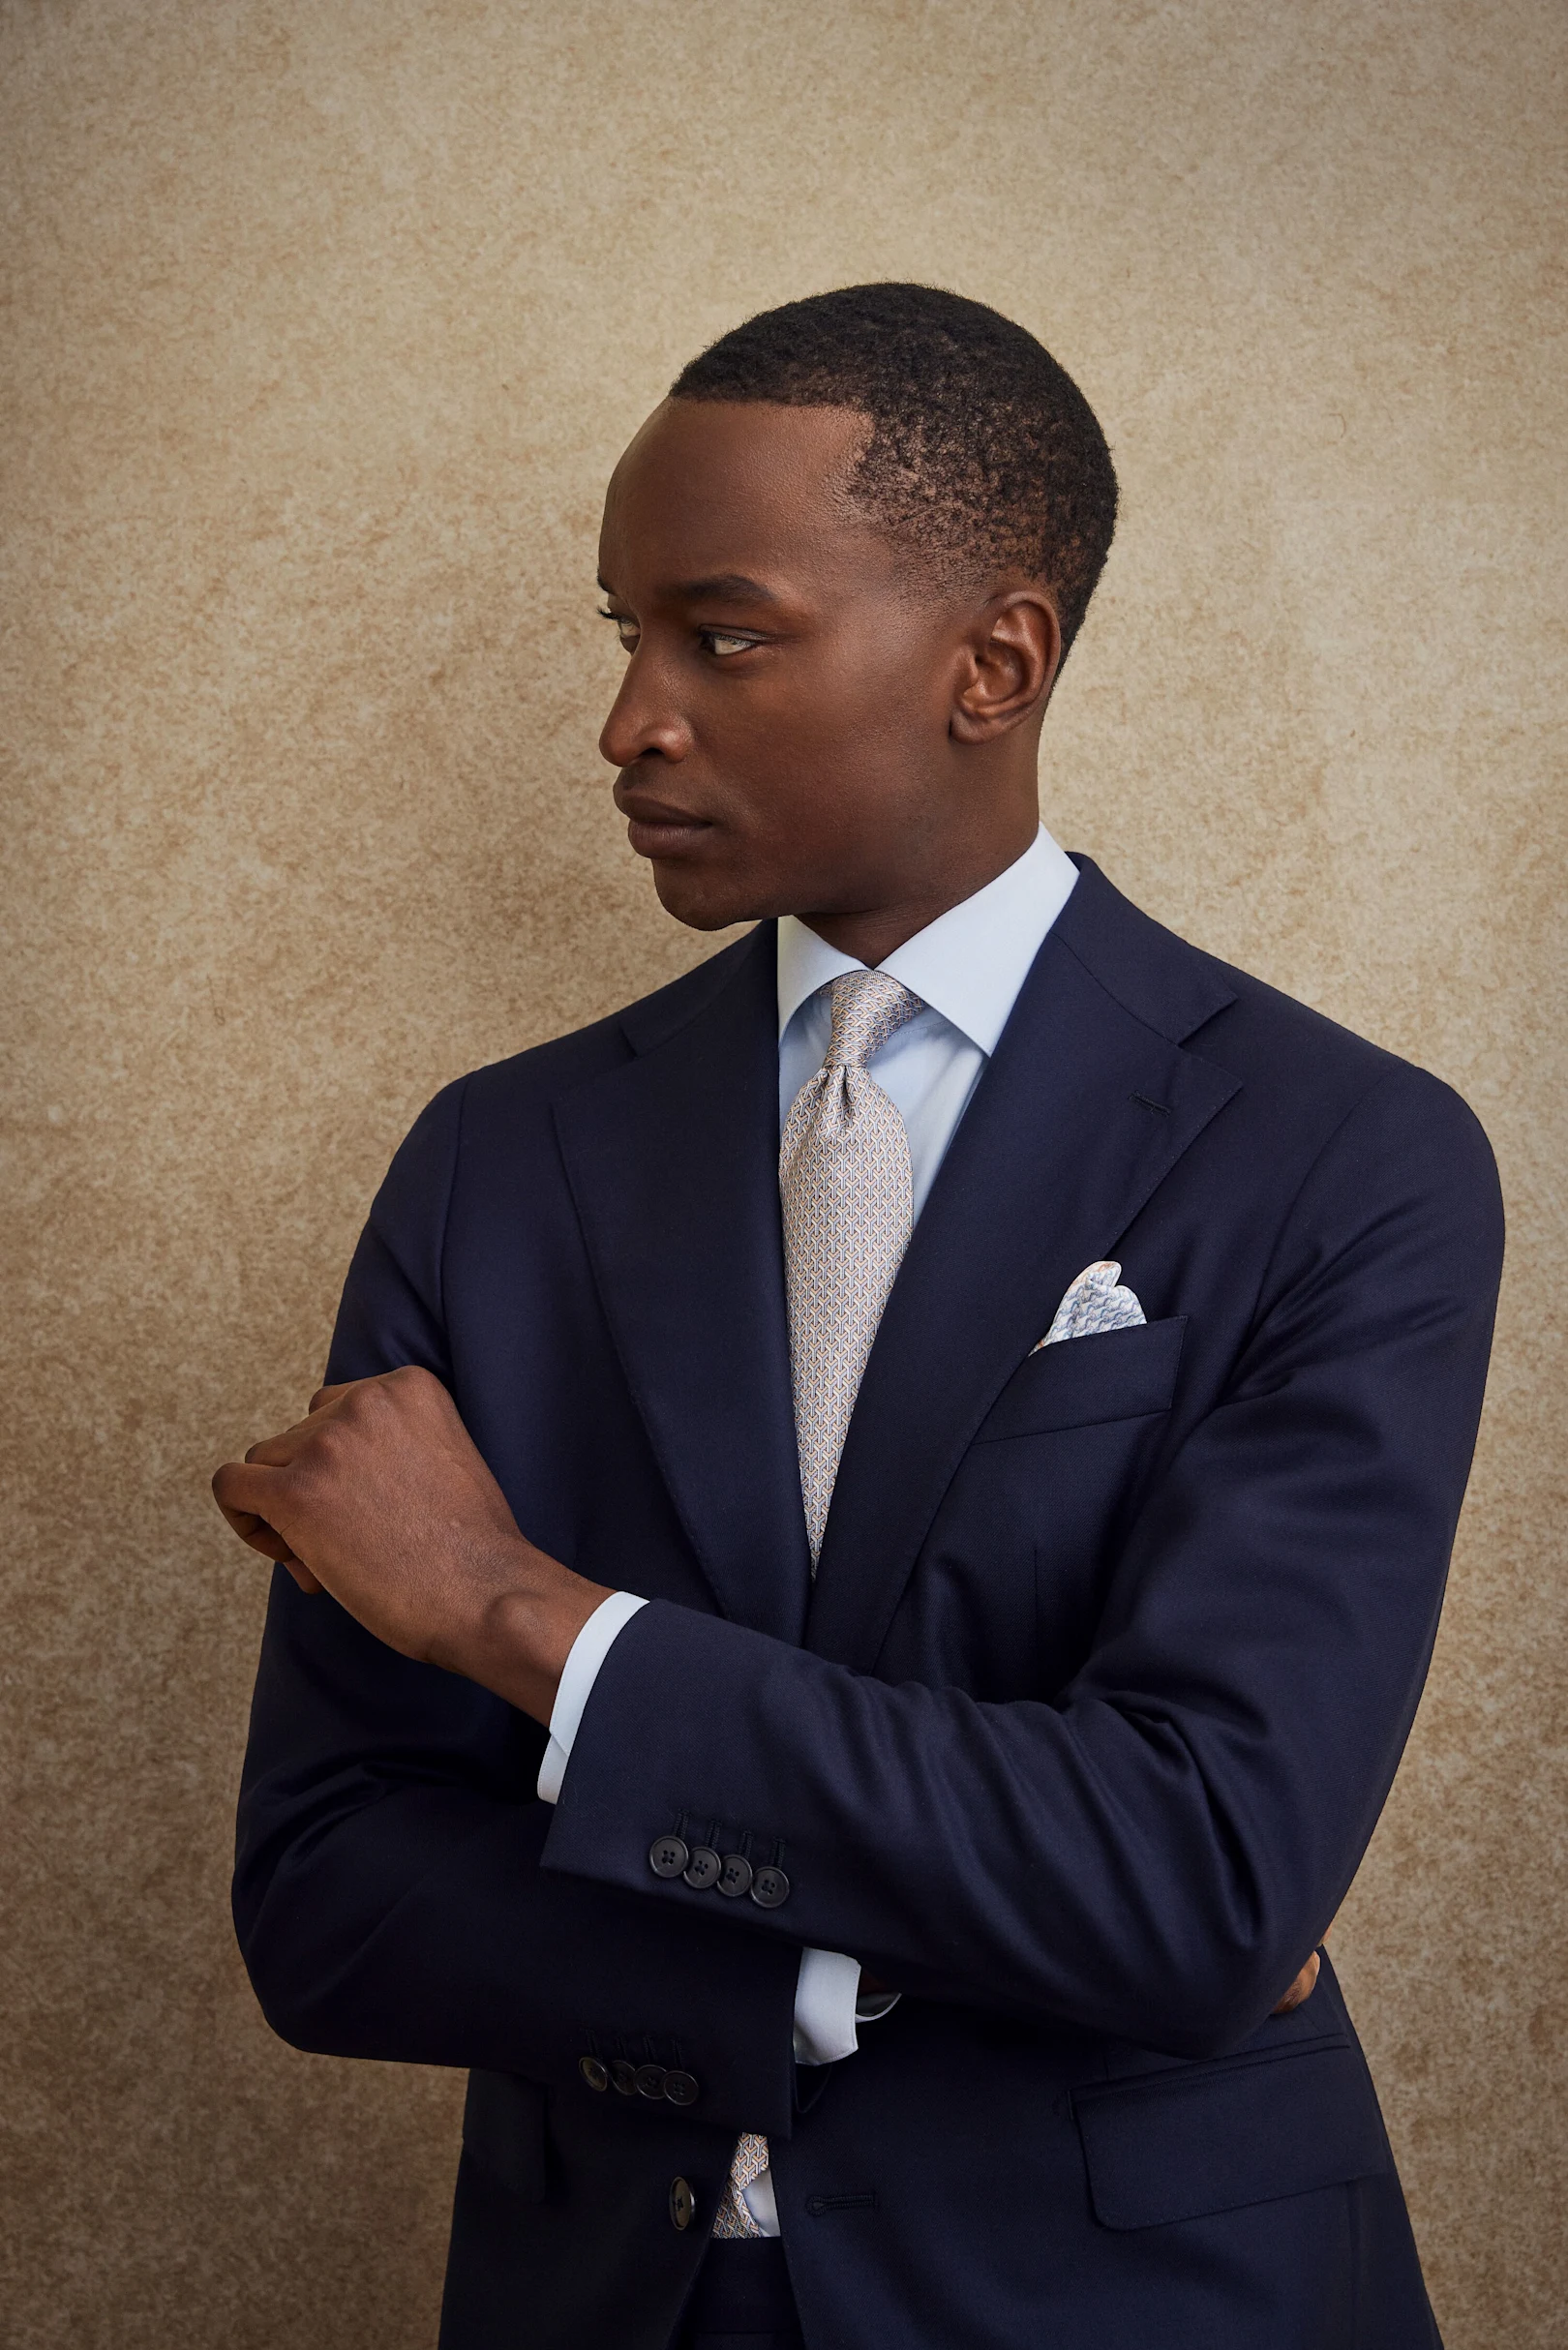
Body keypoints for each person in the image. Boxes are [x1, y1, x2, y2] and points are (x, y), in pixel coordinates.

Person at [217, 285, 1502, 2350]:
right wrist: (842, 1962)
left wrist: (522, 1618)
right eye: (624, 632)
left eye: (721, 637)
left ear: (996, 662)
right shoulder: (497, 1161)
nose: (629, 720)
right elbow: (331, 1886)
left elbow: (1199, 1873)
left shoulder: (1343, 1154)